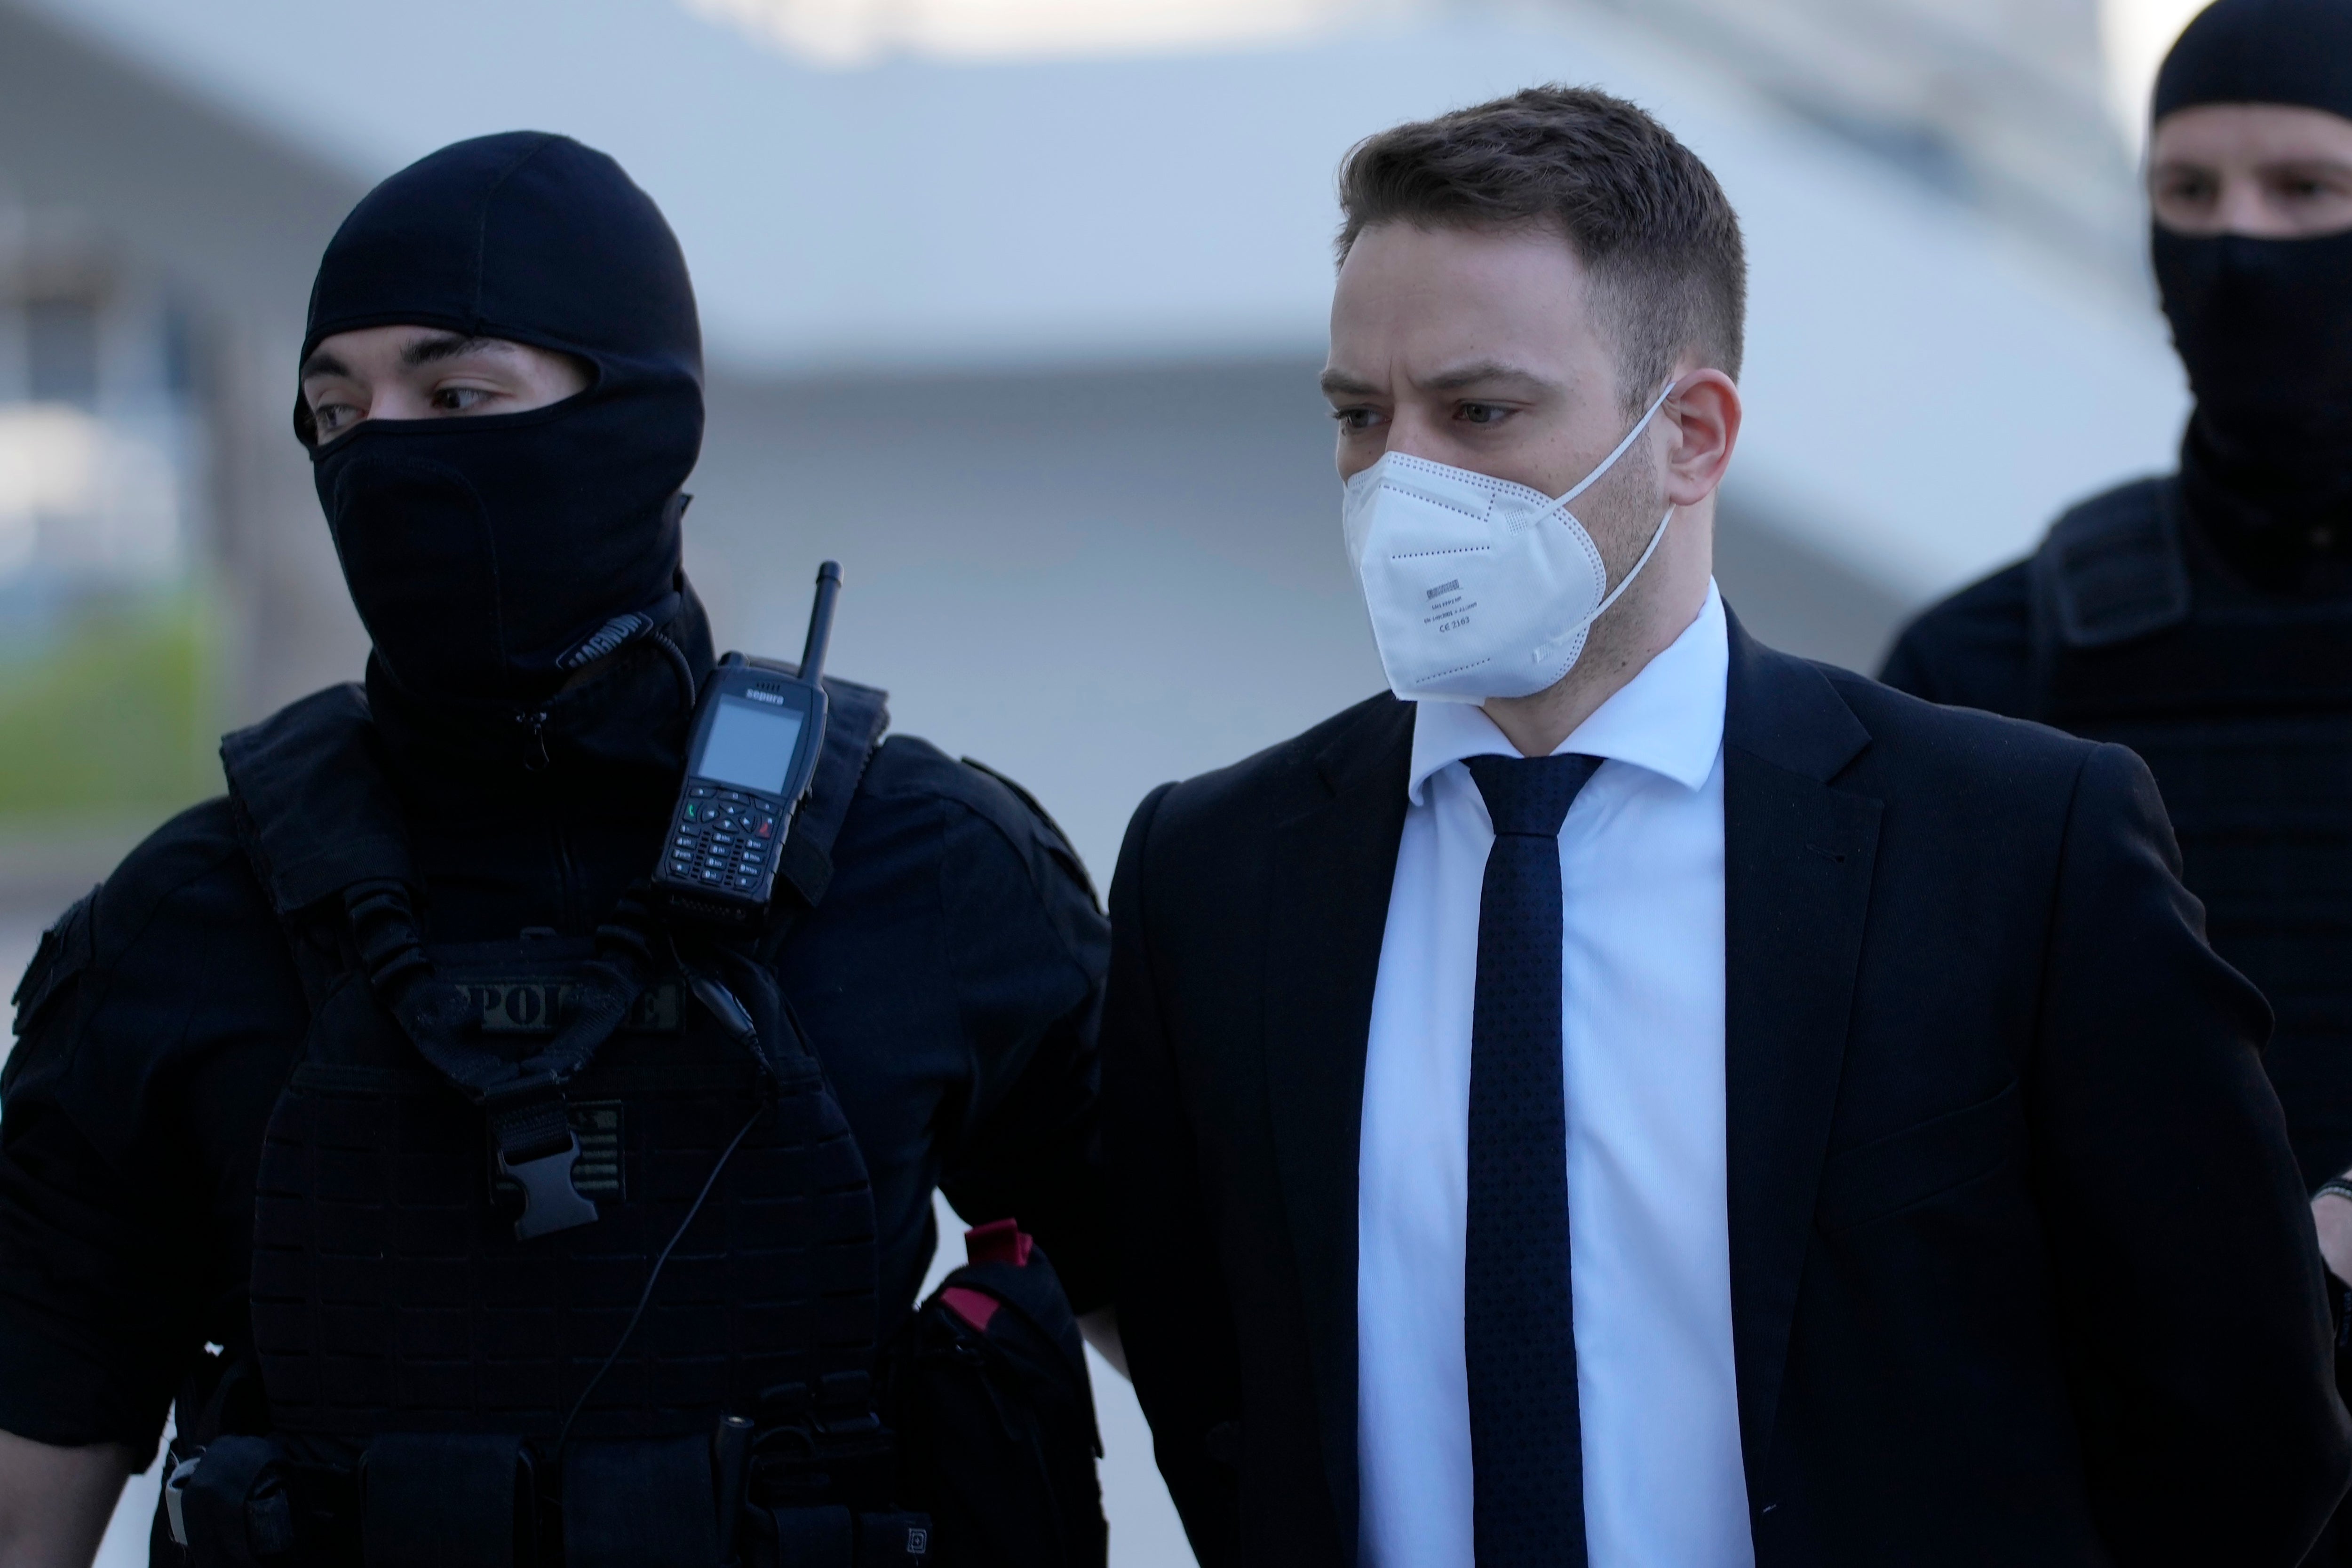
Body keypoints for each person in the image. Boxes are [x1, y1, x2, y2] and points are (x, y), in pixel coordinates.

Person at [1102, 86, 2351, 1567]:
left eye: (1481, 410)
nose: (1401, 479)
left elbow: (2242, 1422)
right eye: (1360, 416)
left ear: (1690, 434)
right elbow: (1216, 1387)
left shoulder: (2015, 844)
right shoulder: (1216, 873)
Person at [0, 133, 1112, 1567]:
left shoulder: (936, 869)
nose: (383, 450)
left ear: (640, 419)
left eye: (457, 393)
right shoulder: (180, 925)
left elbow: (1238, 1380)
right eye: (337, 412)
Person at [1882, 0, 2352, 1293]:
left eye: (2307, 188)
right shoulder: (1988, 662)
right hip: (2149, 1448)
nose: (2239, 241)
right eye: (2188, 189)